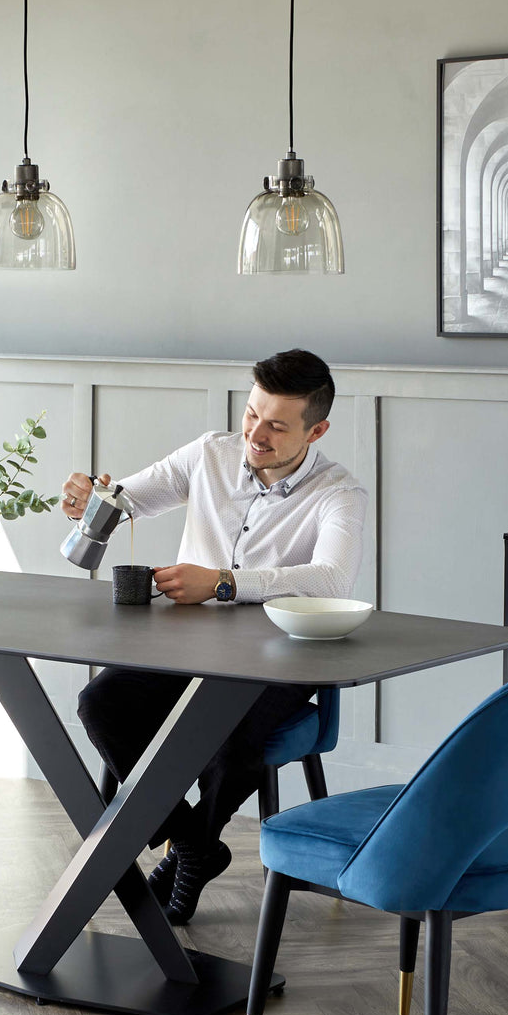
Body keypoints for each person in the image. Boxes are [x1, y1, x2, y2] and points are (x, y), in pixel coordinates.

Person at [60, 349, 368, 924]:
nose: (257, 433)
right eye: (252, 414)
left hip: (279, 660)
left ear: (316, 429)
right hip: (183, 645)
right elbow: (126, 499)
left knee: (225, 734)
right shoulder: (209, 453)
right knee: (100, 703)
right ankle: (196, 844)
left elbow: (331, 579)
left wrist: (225, 584)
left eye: (278, 425)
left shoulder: (339, 494)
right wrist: (90, 499)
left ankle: (189, 850)